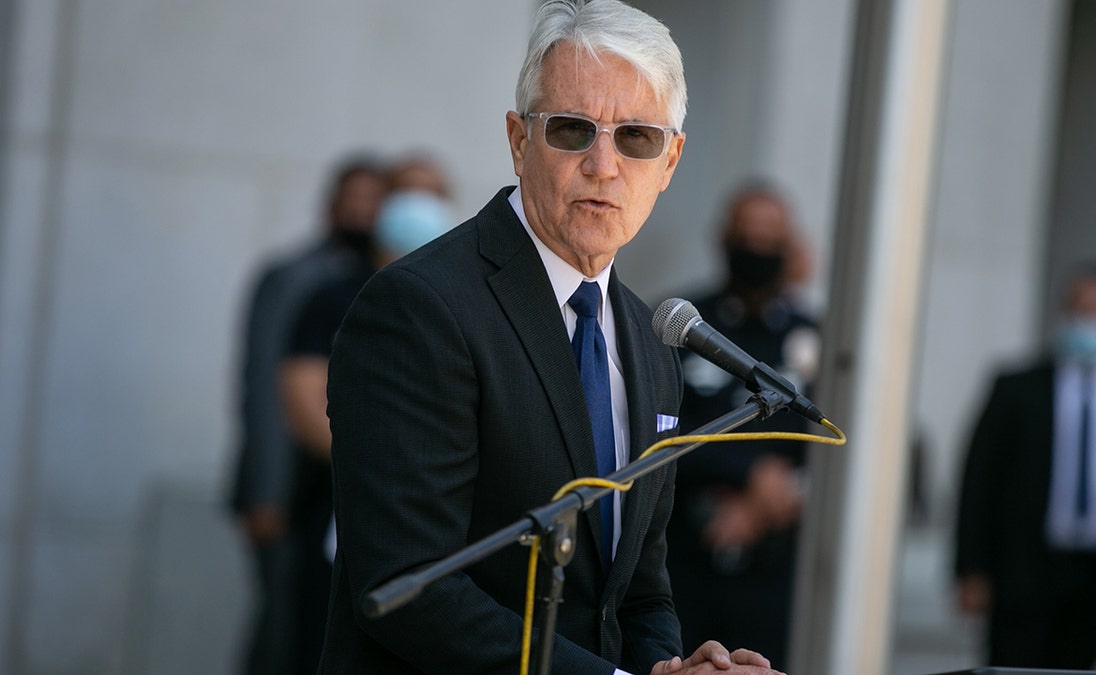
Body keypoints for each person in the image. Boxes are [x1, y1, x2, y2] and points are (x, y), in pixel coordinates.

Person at [319, 2, 783, 673]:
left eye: (636, 138)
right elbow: (410, 589)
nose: (603, 164)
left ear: (672, 159)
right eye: (572, 129)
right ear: (518, 140)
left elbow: (638, 593)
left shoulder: (655, 344)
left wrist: (669, 667)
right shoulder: (420, 307)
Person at [954, 262, 1096, 669]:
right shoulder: (1016, 389)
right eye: (1081, 310)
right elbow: (979, 481)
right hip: (1024, 570)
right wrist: (970, 568)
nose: (1090, 323)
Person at [278, 156, 453, 674]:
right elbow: (301, 396)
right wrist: (385, 467)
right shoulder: (334, 294)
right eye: (407, 194)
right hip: (336, 506)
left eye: (435, 194)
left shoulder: (467, 301)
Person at [228, 154, 385, 675]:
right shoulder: (296, 278)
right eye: (354, 200)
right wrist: (266, 493)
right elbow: (266, 391)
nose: (363, 212)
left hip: (332, 498)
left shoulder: (376, 279)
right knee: (282, 632)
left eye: (373, 201)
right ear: (331, 205)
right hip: (292, 495)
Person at [665, 184, 820, 666]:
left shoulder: (813, 334)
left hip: (776, 568)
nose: (757, 247)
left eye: (770, 236)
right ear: (725, 238)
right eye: (747, 233)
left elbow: (827, 439)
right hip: (683, 560)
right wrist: (746, 476)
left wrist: (761, 504)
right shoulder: (685, 324)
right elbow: (660, 430)